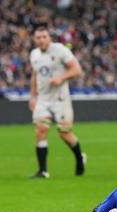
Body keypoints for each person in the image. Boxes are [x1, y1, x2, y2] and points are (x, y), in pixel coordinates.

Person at [29, 26, 86, 179]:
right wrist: (33, 96)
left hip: (60, 98)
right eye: (38, 37)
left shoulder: (60, 50)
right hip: (43, 99)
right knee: (40, 131)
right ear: (35, 39)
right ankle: (43, 171)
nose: (41, 40)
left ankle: (80, 157)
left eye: (44, 37)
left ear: (49, 38)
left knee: (64, 133)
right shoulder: (34, 54)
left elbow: (77, 69)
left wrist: (61, 78)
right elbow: (35, 76)